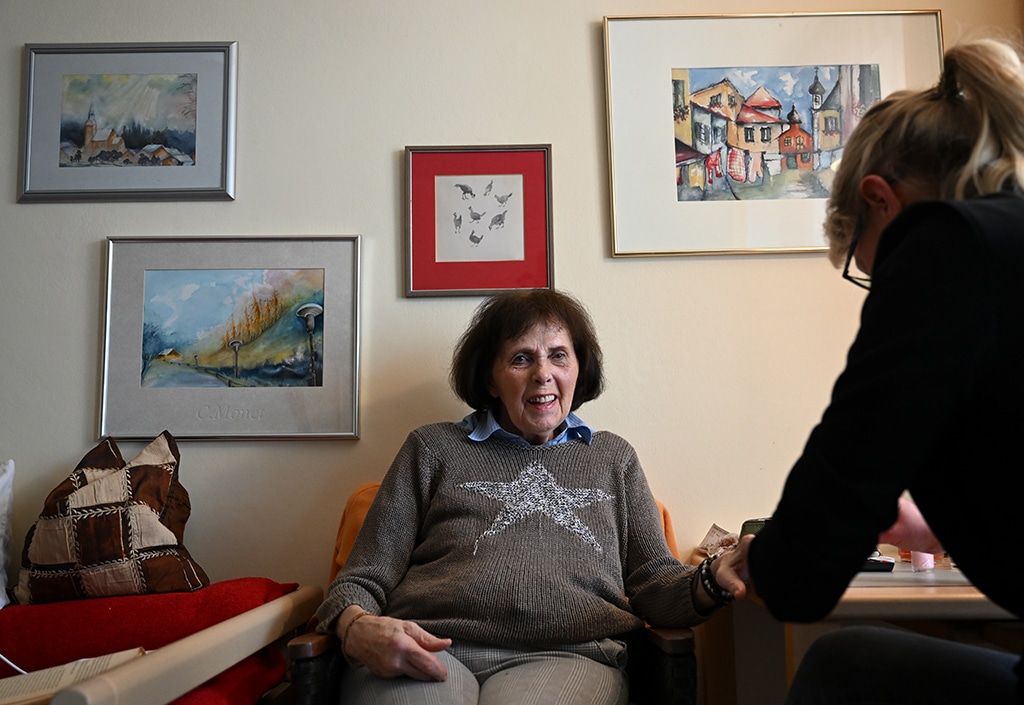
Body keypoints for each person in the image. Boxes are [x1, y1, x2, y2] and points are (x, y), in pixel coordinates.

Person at [720, 38, 1024, 704]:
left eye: (867, 267)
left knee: (841, 663)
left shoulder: (943, 244)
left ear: (880, 198)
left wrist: (768, 555)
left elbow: (803, 572)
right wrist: (940, 526)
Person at [315, 289, 745, 705]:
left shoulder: (613, 458)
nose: (543, 373)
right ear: (489, 376)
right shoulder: (432, 449)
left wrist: (712, 579)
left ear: (579, 368)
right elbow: (361, 577)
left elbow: (654, 583)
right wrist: (356, 627)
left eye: (559, 355)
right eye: (521, 358)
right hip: (427, 644)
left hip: (570, 653)